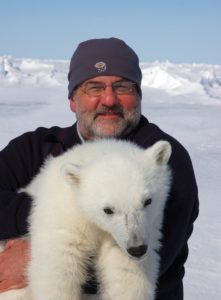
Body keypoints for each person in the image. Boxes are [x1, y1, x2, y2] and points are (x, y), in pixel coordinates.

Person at [0, 37, 199, 299]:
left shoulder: (157, 160)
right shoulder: (36, 147)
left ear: (139, 95)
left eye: (122, 87)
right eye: (93, 88)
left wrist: (37, 256)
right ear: (72, 100)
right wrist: (52, 215)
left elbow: (141, 257)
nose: (108, 99)